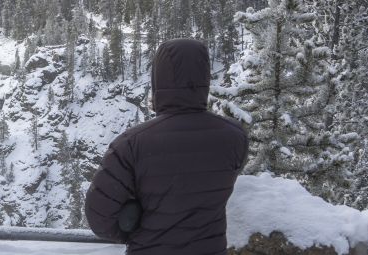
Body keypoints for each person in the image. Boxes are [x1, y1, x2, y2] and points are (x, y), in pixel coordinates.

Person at [85, 39, 249, 255]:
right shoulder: (235, 136)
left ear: (158, 79)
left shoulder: (131, 144)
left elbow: (100, 218)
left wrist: (133, 231)